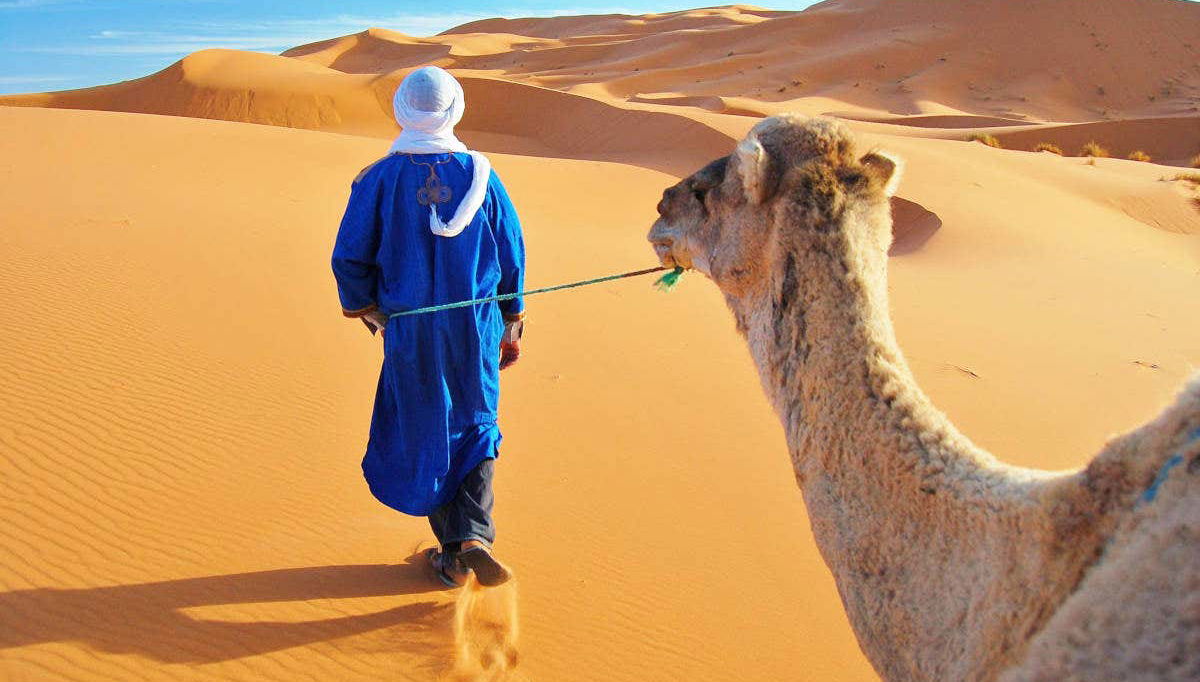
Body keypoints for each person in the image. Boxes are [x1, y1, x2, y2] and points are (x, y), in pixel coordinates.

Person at [331, 66, 526, 588]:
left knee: (428, 425)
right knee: (477, 420)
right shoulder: (483, 174)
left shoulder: (376, 179)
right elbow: (510, 251)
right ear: (454, 108)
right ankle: (471, 538)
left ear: (401, 109)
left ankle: (455, 552)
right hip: (475, 327)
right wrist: (512, 319)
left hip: (411, 332)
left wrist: (369, 310)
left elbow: (349, 258)